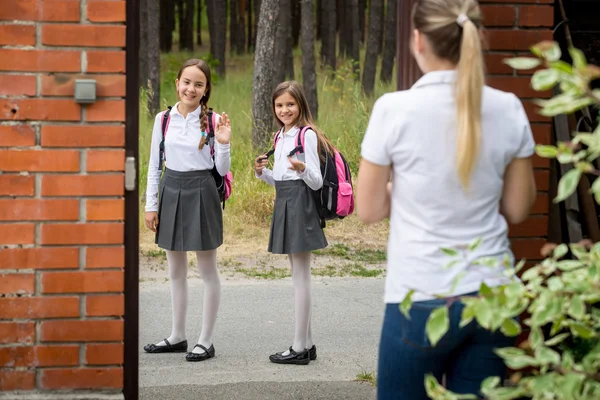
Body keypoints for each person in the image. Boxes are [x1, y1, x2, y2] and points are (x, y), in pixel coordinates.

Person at [355, 0, 537, 398]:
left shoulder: (394, 109)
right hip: (493, 294)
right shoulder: (509, 108)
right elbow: (519, 208)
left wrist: (409, 191)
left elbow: (367, 209)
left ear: (418, 40)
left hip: (420, 294)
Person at [142, 58, 232, 362]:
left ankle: (206, 340)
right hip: (171, 189)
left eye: (198, 84)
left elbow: (221, 168)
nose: (191, 88)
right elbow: (154, 166)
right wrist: (150, 205)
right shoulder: (163, 119)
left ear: (206, 89)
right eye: (186, 82)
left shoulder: (214, 120)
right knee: (175, 270)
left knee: (207, 270)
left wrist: (223, 143)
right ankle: (177, 336)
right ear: (177, 83)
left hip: (202, 191)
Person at [254, 81, 333, 365]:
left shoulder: (306, 135)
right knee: (297, 275)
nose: (284, 110)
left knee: (301, 278)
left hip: (300, 204)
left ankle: (299, 347)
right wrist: (262, 173)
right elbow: (279, 180)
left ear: (300, 105)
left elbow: (316, 180)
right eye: (279, 105)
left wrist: (302, 169)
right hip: (286, 201)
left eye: (290, 104)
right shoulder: (279, 137)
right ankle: (307, 344)